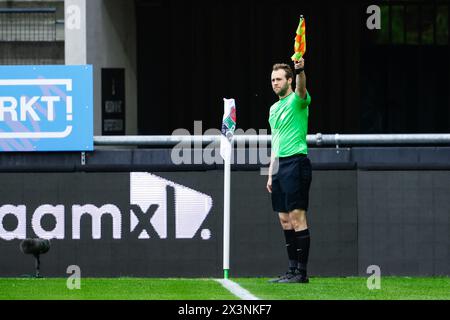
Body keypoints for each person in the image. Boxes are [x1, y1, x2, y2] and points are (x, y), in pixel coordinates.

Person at [266, 58, 312, 283]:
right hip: (279, 166)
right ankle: (292, 270)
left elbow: (302, 87)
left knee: (297, 216)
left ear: (289, 81)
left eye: (278, 79)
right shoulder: (273, 109)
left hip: (296, 162)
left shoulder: (297, 99)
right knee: (284, 219)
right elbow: (275, 140)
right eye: (272, 80)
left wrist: (300, 69)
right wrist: (270, 171)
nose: (274, 83)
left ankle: (302, 273)